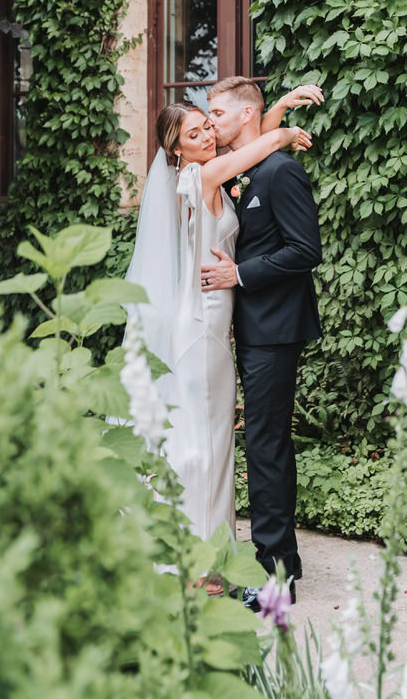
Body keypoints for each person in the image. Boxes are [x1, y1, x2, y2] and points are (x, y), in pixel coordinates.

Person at [125, 85, 321, 569]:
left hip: (219, 322)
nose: (209, 131)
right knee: (201, 440)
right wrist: (285, 131)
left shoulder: (206, 173)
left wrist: (273, 113)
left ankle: (216, 554)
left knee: (212, 437)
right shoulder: (204, 176)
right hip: (204, 323)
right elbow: (259, 144)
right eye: (197, 129)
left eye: (211, 121)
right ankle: (196, 557)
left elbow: (250, 144)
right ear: (176, 150)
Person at [201, 76, 323, 610]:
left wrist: (239, 276)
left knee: (266, 448)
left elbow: (305, 251)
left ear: (245, 117)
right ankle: (278, 563)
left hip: (275, 330)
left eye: (219, 116)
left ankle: (278, 579)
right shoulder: (247, 167)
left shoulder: (281, 172)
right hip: (249, 330)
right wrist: (276, 115)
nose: (212, 125)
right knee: (262, 446)